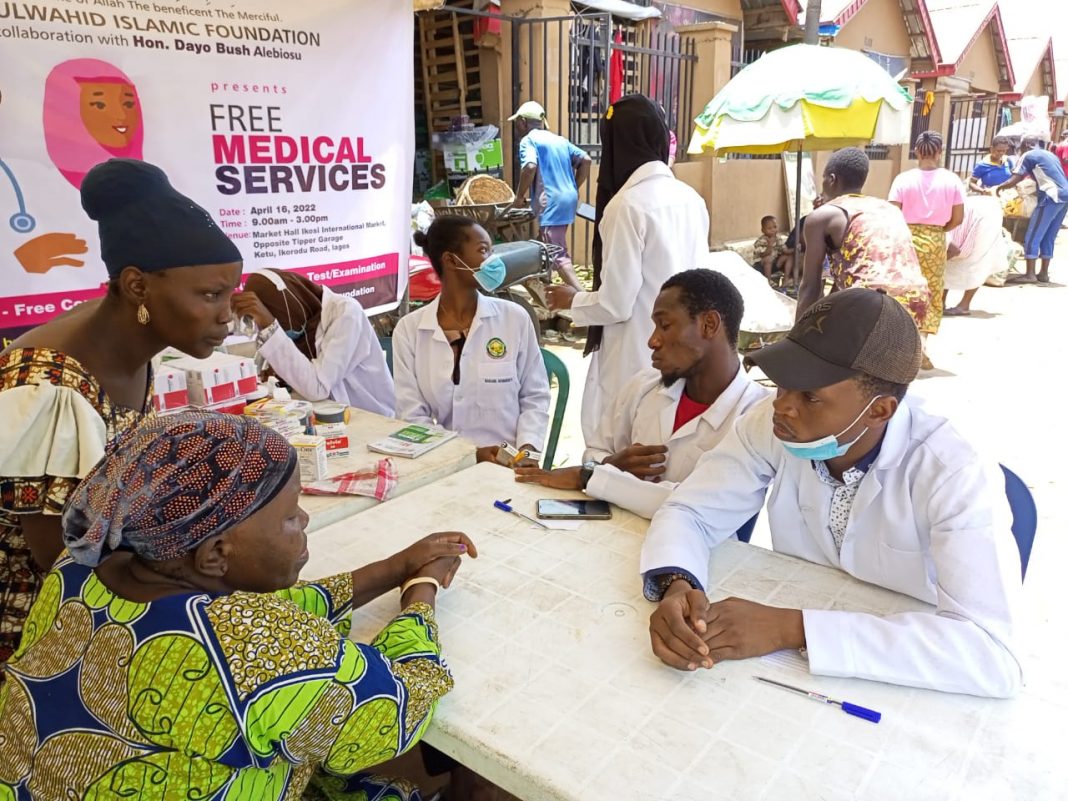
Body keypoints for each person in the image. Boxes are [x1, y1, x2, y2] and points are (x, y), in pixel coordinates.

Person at [0, 411, 476, 799]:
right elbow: (397, 710)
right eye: (289, 516)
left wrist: (393, 568)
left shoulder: (82, 565)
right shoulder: (253, 646)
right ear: (214, 554)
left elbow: (267, 614)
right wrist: (422, 588)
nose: (304, 519)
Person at [641, 288, 1022, 698]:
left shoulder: (952, 472)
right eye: (782, 383)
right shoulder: (772, 423)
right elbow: (691, 511)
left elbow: (990, 655)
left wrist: (793, 628)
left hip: (911, 664)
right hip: (802, 636)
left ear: (879, 410)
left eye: (810, 396)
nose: (783, 406)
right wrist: (678, 582)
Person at [0, 158, 242, 672]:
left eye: (230, 293)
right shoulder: (50, 386)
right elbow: (60, 558)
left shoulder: (130, 340)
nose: (227, 314)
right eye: (209, 294)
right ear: (137, 287)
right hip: (35, 623)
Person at [515, 269, 768, 519]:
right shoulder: (645, 386)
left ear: (709, 324)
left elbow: (697, 504)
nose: (652, 341)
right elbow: (596, 450)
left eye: (665, 326)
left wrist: (591, 476)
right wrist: (611, 465)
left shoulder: (757, 415)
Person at [545, 93, 709, 447]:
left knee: (620, 450)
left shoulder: (627, 206)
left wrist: (572, 300)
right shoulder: (691, 199)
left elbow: (616, 304)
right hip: (684, 350)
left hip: (636, 355)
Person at [394, 216, 550, 465]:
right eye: (483, 250)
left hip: (509, 464)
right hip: (443, 463)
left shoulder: (514, 319)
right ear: (451, 260)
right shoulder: (410, 330)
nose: (493, 261)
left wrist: (527, 451)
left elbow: (535, 396)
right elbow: (411, 414)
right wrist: (466, 455)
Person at [796, 147, 929, 331]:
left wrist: (796, 337)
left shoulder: (823, 216)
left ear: (832, 179)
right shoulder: (888, 209)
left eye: (823, 178)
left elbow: (811, 287)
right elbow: (851, 273)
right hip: (915, 299)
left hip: (869, 303)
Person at [231, 268, 395, 415]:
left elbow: (318, 388)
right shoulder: (305, 320)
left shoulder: (347, 313)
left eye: (281, 324)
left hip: (370, 416)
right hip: (329, 414)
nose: (290, 333)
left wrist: (270, 328)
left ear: (294, 303)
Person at [889, 131, 965, 355]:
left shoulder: (903, 179)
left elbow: (892, 213)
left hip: (906, 239)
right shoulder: (952, 180)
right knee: (930, 291)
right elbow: (958, 218)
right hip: (935, 242)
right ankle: (921, 342)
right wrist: (939, 230)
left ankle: (901, 342)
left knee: (903, 288)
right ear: (939, 152)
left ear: (917, 152)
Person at [508, 101, 591, 291]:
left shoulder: (528, 140)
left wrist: (519, 197)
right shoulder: (559, 140)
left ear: (523, 122)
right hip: (568, 200)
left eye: (517, 123)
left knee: (558, 254)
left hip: (551, 202)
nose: (516, 127)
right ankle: (543, 286)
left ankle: (583, 297)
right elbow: (585, 160)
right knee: (542, 241)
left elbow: (530, 167)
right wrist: (574, 186)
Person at [995, 135, 1068, 284]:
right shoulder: (1049, 155)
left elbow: (1016, 178)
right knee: (1049, 235)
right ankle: (1043, 274)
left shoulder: (1028, 155)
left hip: (1051, 196)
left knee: (1033, 233)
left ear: (1026, 145)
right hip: (1064, 196)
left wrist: (999, 187)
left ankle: (1030, 274)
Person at [944, 195, 1008, 316]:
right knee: (945, 263)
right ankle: (940, 302)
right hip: (959, 214)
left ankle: (964, 305)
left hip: (982, 217)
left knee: (979, 260)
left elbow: (953, 250)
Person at [752, 215, 791, 283]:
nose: (773, 230)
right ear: (763, 230)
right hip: (761, 266)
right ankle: (768, 281)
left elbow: (785, 250)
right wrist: (770, 245)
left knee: (787, 256)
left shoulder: (778, 239)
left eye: (775, 227)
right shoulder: (761, 241)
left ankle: (786, 278)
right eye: (769, 228)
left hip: (773, 264)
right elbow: (764, 255)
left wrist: (795, 250)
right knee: (768, 258)